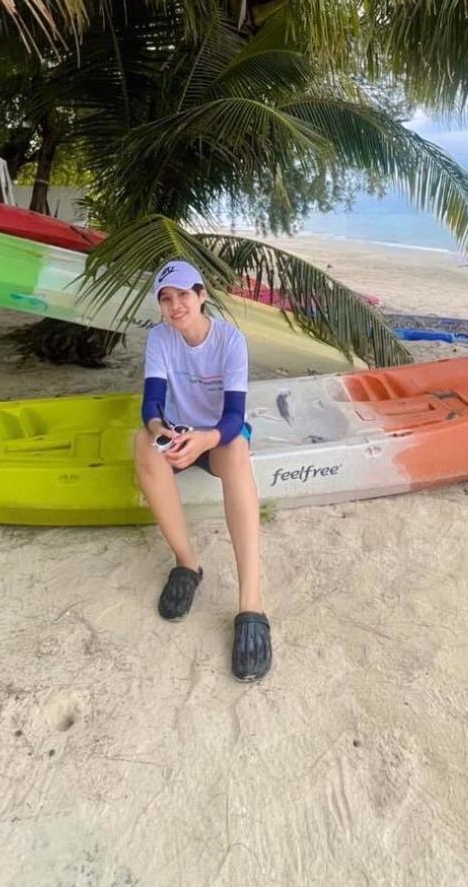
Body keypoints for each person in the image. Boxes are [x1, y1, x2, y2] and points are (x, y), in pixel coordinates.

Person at [133, 260, 272, 682]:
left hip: (216, 436)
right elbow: (151, 406)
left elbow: (233, 416)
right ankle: (187, 564)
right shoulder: (160, 338)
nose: (176, 306)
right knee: (142, 444)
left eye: (183, 296)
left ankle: (251, 603)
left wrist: (205, 439)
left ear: (202, 296)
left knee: (237, 449)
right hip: (179, 434)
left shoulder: (230, 340)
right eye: (166, 299)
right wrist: (161, 431)